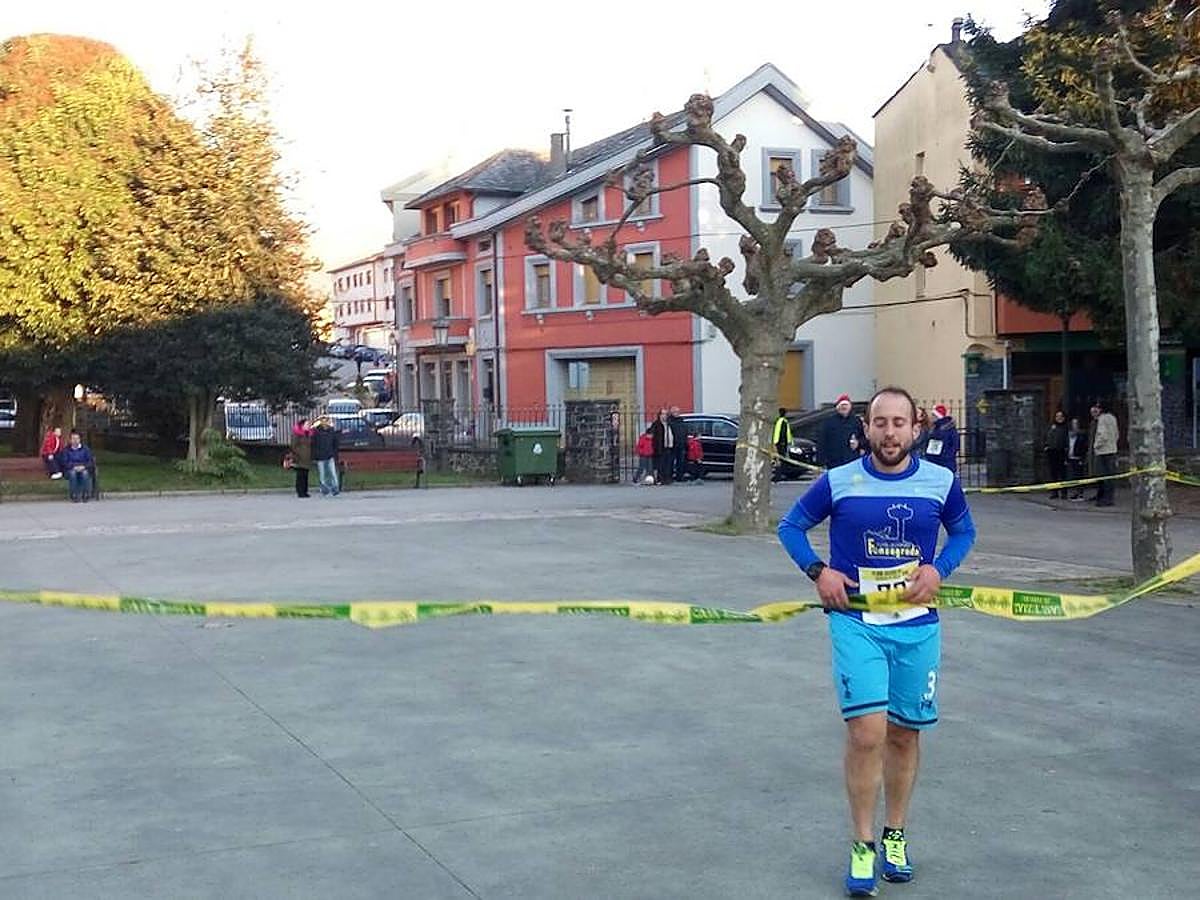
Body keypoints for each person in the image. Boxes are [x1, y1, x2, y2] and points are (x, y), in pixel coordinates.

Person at [777, 386, 976, 896]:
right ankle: (862, 843)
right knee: (867, 733)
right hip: (856, 622)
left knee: (905, 734)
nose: (890, 433)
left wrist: (939, 569)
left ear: (915, 429)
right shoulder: (839, 481)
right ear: (866, 428)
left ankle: (895, 835)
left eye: (899, 423)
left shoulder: (941, 482)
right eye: (880, 423)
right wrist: (819, 572)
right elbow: (791, 527)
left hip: (916, 625)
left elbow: (964, 533)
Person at [820, 394, 867, 469]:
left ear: (850, 407)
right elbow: (822, 441)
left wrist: (859, 444)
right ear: (837, 407)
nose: (844, 407)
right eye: (842, 405)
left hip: (852, 461)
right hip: (834, 462)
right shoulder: (829, 422)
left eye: (846, 405)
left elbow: (864, 438)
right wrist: (822, 461)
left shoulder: (856, 421)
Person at [1092, 400, 1119, 507]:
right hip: (1112, 449)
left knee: (1102, 476)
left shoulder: (1102, 419)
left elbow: (1102, 435)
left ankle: (1104, 498)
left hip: (1103, 451)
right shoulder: (1113, 418)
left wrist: (1096, 445)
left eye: (1098, 408)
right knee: (1110, 476)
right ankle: (1109, 497)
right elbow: (1117, 434)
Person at [923, 403, 959, 473]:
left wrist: (946, 457)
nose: (931, 417)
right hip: (937, 463)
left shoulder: (943, 429)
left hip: (944, 464)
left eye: (933, 415)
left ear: (938, 416)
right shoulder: (935, 428)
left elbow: (955, 446)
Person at [61, 430, 95, 502]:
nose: (75, 440)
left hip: (84, 468)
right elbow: (65, 462)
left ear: (80, 440)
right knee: (73, 474)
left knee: (85, 473)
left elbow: (90, 461)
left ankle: (86, 494)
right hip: (70, 469)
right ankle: (74, 495)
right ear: (70, 440)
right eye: (73, 439)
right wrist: (74, 467)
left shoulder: (85, 449)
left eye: (77, 439)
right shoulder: (66, 450)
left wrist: (83, 467)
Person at [311, 417, 341, 496]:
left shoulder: (331, 431)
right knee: (322, 474)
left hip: (330, 455)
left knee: (333, 473)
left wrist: (335, 454)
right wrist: (314, 456)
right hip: (320, 456)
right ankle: (324, 488)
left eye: (326, 421)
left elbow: (335, 443)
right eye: (323, 421)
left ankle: (335, 488)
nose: (325, 423)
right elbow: (313, 444)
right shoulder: (316, 432)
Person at [1044, 410, 1069, 498]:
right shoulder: (1052, 427)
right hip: (1052, 452)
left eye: (1060, 416)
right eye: (1057, 416)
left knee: (1063, 474)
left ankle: (1064, 492)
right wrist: (1047, 446)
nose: (1058, 418)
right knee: (1053, 473)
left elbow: (1066, 440)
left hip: (1061, 452)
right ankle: (1054, 492)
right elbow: (1048, 437)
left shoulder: (1066, 428)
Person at [290, 418, 313, 498]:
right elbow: (294, 445)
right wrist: (299, 453)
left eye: (309, 425)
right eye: (307, 424)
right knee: (300, 475)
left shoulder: (309, 434)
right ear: (302, 425)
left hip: (307, 457)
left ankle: (305, 491)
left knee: (305, 475)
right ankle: (300, 491)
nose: (308, 426)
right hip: (299, 457)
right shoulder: (297, 434)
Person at [650, 408, 673, 485]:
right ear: (659, 415)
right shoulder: (656, 424)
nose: (664, 416)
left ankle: (667, 479)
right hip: (660, 447)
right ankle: (660, 479)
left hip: (669, 447)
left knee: (668, 464)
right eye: (663, 414)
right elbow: (651, 433)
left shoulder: (669, 424)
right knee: (660, 465)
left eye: (666, 414)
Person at [1067, 416, 1088, 501]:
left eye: (1076, 424)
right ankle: (1075, 493)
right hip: (1070, 457)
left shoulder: (1082, 435)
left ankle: (1080, 494)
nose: (1074, 425)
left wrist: (1082, 459)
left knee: (1079, 476)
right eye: (1073, 424)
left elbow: (1084, 448)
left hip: (1078, 458)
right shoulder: (1069, 434)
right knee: (1073, 476)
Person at [772, 407, 793, 482]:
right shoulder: (784, 421)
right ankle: (780, 475)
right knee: (781, 459)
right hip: (781, 443)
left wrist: (777, 443)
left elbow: (781, 433)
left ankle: (779, 476)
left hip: (779, 443)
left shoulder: (780, 421)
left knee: (779, 460)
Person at [668, 406, 688, 482]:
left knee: (681, 462)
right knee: (670, 462)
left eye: (678, 412)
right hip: (672, 445)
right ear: (671, 413)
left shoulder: (682, 421)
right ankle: (669, 476)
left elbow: (685, 432)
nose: (677, 413)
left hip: (681, 445)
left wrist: (685, 441)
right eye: (675, 412)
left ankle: (680, 477)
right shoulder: (669, 422)